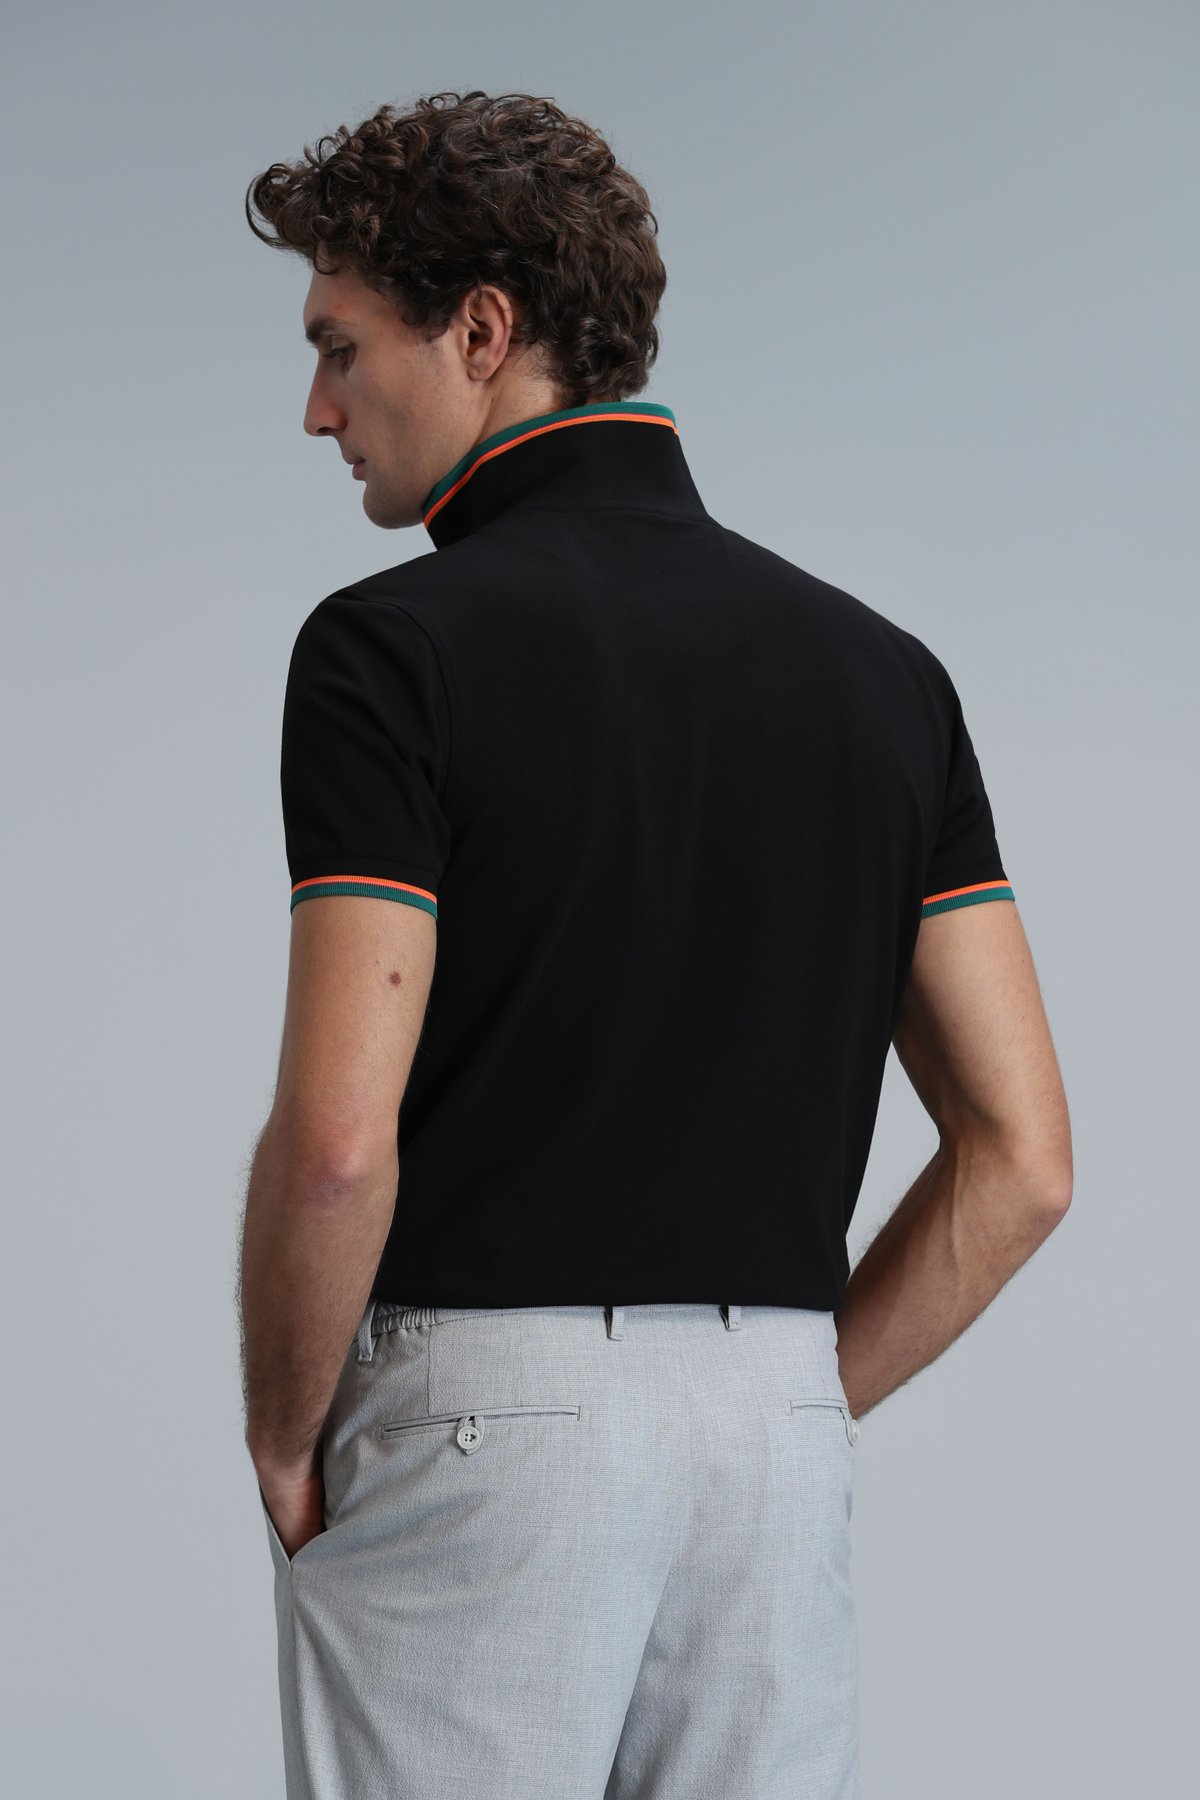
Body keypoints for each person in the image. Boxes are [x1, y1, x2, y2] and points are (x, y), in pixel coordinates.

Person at [236, 89, 1072, 1800]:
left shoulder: (391, 654)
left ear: (483, 331)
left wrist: (282, 1429)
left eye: (338, 345)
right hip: (774, 1437)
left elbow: (336, 1147)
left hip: (479, 1415)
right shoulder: (884, 676)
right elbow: (1024, 1161)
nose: (316, 408)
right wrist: (794, 1394)